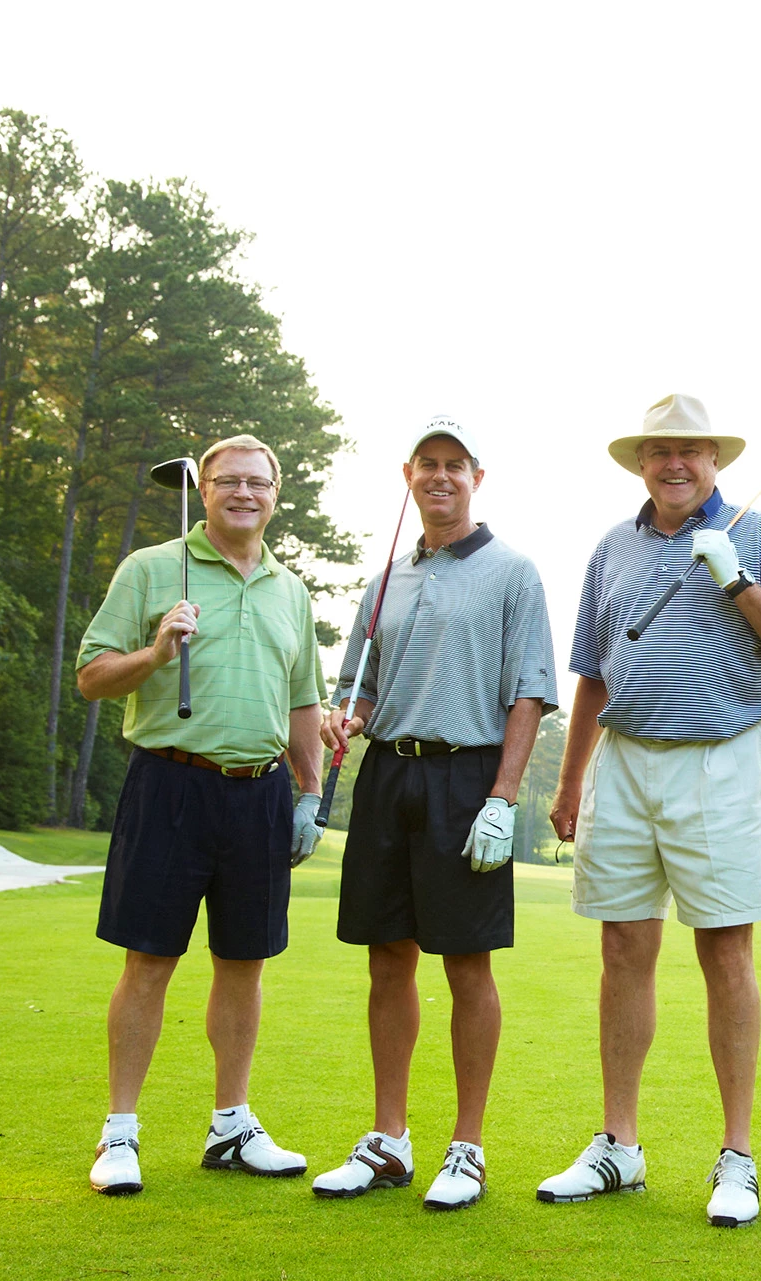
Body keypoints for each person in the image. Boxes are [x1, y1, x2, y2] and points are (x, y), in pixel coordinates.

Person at [542, 393, 761, 1227]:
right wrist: (569, 783)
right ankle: (619, 1147)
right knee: (623, 947)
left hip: (723, 755)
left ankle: (736, 1157)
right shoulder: (610, 548)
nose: (676, 464)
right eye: (660, 450)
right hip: (625, 759)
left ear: (717, 462)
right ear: (642, 462)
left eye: (692, 451)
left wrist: (734, 578)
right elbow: (592, 674)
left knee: (725, 953)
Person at [310, 417, 557, 1209]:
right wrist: (349, 716)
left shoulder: (514, 572)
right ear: (408, 475)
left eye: (455, 465)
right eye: (428, 465)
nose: (440, 477)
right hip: (388, 776)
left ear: (476, 476)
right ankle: (388, 1140)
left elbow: (529, 692)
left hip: (467, 777)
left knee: (467, 964)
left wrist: (503, 797)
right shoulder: (385, 578)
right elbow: (364, 686)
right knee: (388, 958)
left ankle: (468, 1147)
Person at [76, 433, 327, 1196]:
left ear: (276, 494)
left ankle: (231, 1125)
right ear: (204, 488)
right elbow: (91, 675)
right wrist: (155, 653)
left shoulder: (291, 589)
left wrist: (310, 793)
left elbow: (303, 701)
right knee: (150, 958)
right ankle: (120, 1133)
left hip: (259, 793)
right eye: (228, 481)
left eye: (258, 482)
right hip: (170, 785)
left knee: (244, 962)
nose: (243, 493)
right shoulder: (153, 568)